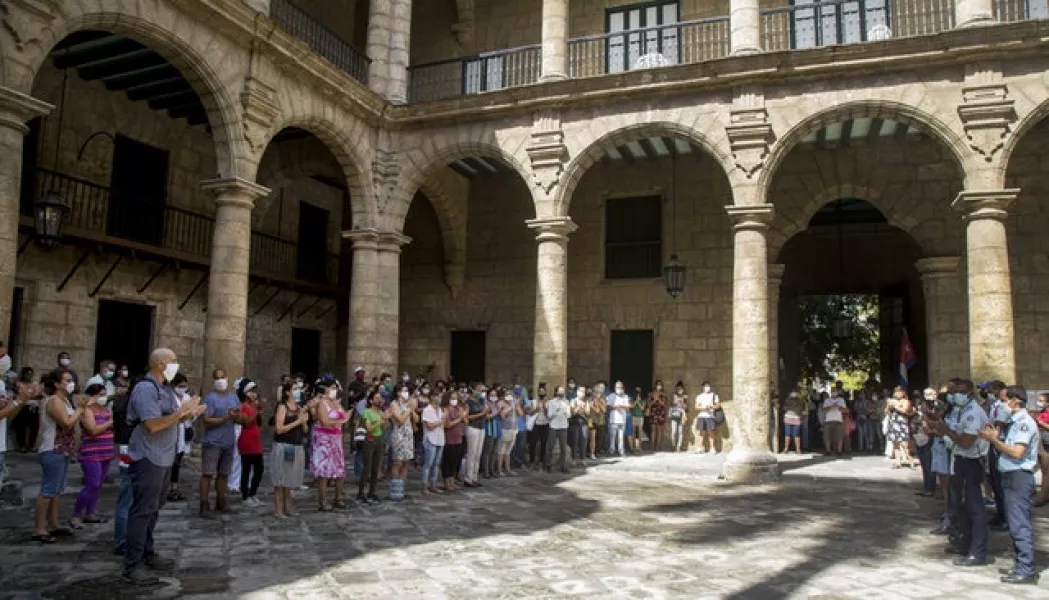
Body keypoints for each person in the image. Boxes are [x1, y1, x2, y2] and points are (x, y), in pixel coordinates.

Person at [123, 349, 203, 584]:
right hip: (149, 456)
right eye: (173, 361)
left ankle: (147, 552)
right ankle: (133, 563)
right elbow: (152, 424)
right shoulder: (146, 389)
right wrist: (180, 412)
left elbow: (173, 418)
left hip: (164, 456)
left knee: (154, 508)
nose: (176, 365)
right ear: (160, 364)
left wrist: (189, 413)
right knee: (142, 509)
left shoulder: (165, 389)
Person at [927, 379, 989, 568]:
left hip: (971, 462)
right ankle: (964, 542)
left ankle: (977, 551)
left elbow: (967, 442)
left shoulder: (973, 413)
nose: (955, 395)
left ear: (969, 394)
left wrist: (947, 432)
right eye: (954, 391)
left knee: (974, 507)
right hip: (959, 461)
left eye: (959, 392)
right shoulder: (961, 411)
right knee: (960, 504)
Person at [33, 370, 86, 543]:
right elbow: (66, 422)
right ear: (56, 384)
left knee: (57, 489)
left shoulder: (64, 400)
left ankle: (53, 523)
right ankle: (39, 529)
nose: (70, 383)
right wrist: (80, 409)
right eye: (67, 380)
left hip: (63, 449)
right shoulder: (53, 401)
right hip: (52, 448)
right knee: (48, 490)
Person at [70, 383, 114, 528]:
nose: (102, 397)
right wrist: (110, 423)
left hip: (106, 451)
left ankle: (90, 512)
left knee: (98, 485)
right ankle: (76, 515)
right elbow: (93, 430)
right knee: (92, 483)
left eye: (104, 394)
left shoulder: (107, 410)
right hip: (91, 452)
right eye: (99, 394)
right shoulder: (87, 411)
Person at [199, 368, 241, 517]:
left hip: (228, 441)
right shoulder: (210, 398)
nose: (220, 380)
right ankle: (204, 504)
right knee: (208, 473)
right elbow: (207, 420)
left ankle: (221, 500)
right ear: (213, 380)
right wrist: (225, 418)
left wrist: (236, 416)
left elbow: (239, 417)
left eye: (222, 377)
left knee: (224, 473)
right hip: (213, 442)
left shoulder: (233, 398)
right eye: (217, 378)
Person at [271, 381, 308, 518]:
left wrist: (304, 421)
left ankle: (288, 507)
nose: (298, 390)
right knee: (280, 479)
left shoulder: (298, 407)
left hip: (296, 445)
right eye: (295, 388)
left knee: (290, 479)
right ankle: (278, 509)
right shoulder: (282, 407)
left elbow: (305, 430)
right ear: (287, 392)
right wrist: (297, 421)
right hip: (284, 445)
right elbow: (279, 429)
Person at [236, 379, 265, 507]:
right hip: (246, 441)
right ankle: (245, 495)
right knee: (246, 469)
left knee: (259, 469)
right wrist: (257, 411)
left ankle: (253, 493)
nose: (253, 394)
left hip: (256, 441)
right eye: (250, 392)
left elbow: (259, 423)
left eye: (254, 392)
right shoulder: (242, 407)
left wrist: (259, 411)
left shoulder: (254, 405)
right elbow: (247, 423)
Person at [357, 390, 387, 504]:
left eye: (380, 398)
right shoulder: (367, 412)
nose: (379, 400)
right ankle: (361, 493)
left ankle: (372, 492)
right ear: (371, 400)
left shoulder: (381, 412)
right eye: (377, 398)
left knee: (376, 468)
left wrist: (386, 419)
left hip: (379, 440)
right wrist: (380, 420)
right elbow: (369, 428)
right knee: (367, 468)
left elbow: (384, 427)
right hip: (369, 440)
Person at [167, 375, 191, 502]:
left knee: (177, 462)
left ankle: (174, 487)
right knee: (169, 462)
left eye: (184, 386)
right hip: (171, 431)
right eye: (180, 386)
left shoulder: (187, 397)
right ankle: (165, 488)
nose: (182, 389)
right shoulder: (169, 397)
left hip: (182, 431)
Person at [545, 385, 570, 473]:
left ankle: (563, 466)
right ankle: (548, 465)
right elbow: (549, 415)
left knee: (563, 448)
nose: (561, 393)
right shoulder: (552, 402)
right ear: (556, 392)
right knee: (550, 446)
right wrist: (556, 412)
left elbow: (569, 415)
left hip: (563, 426)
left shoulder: (566, 402)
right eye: (560, 391)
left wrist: (565, 412)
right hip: (554, 426)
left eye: (563, 391)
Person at [693, 382, 720, 453]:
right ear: (703, 387)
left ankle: (712, 448)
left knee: (711, 432)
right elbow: (696, 407)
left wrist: (711, 407)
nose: (707, 387)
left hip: (710, 416)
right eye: (706, 386)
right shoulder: (699, 396)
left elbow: (718, 405)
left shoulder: (714, 395)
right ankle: (701, 447)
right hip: (701, 416)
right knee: (701, 433)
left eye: (708, 386)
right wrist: (704, 408)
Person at [821, 389, 847, 456]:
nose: (834, 393)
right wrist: (831, 407)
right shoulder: (827, 400)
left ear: (837, 392)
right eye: (832, 392)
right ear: (831, 392)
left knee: (839, 437)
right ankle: (828, 451)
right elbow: (823, 410)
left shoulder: (841, 400)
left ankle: (839, 451)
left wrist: (838, 407)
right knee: (827, 437)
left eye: (835, 391)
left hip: (838, 421)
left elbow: (844, 410)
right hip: (828, 421)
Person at [607, 382, 630, 457]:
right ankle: (611, 451)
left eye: (620, 387)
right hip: (613, 420)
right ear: (615, 388)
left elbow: (627, 407)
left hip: (622, 420)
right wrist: (615, 407)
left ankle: (621, 451)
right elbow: (608, 406)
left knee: (621, 437)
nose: (619, 389)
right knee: (612, 437)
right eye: (617, 387)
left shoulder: (625, 396)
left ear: (623, 388)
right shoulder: (611, 395)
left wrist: (621, 406)